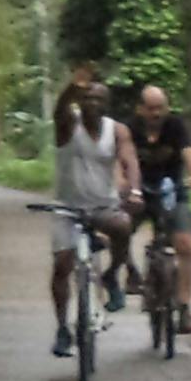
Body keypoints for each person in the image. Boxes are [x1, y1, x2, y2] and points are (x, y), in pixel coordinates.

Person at [46, 82, 138, 357]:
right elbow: (60, 109)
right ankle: (63, 328)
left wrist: (133, 190)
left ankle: (111, 276)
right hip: (68, 207)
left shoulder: (117, 131)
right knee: (62, 265)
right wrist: (70, 89)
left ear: (106, 104)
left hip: (102, 205)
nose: (92, 103)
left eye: (98, 99)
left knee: (123, 227)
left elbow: (129, 161)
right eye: (86, 98)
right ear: (78, 101)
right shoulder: (68, 126)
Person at [129, 81, 191, 336]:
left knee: (185, 244)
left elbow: (190, 156)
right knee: (115, 229)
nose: (156, 114)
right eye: (150, 108)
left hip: (173, 192)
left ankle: (183, 306)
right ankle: (130, 272)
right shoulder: (131, 129)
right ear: (140, 110)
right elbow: (120, 158)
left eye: (160, 108)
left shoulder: (176, 126)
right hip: (139, 193)